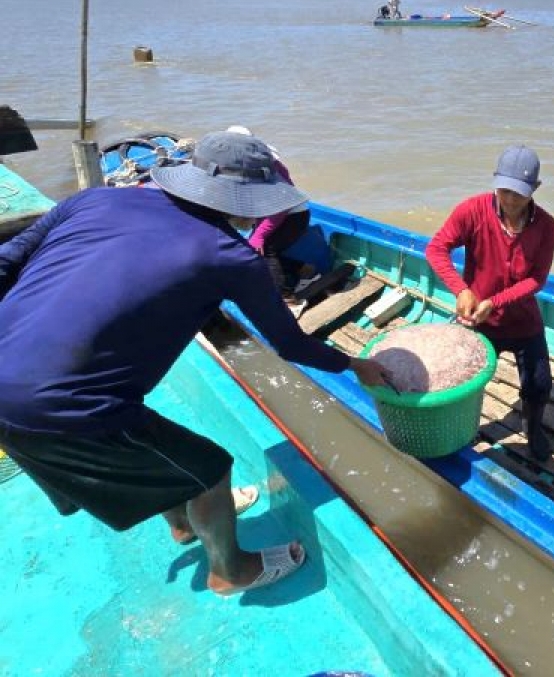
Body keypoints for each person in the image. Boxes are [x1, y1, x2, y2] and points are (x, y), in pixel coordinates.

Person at [0, 130, 387, 597]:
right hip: (61, 409)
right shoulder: (230, 256)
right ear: (245, 199)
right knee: (210, 469)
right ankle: (231, 570)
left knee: (151, 434)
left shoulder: (92, 201)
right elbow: (290, 344)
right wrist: (352, 364)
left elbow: (7, 260)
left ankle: (183, 523)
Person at [427, 145, 554, 461]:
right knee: (465, 382)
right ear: (495, 181)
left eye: (520, 194)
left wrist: (496, 301)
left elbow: (536, 280)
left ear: (535, 190)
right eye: (504, 190)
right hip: (479, 321)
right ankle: (463, 427)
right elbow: (436, 249)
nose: (510, 200)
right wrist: (461, 290)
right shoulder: (471, 211)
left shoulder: (547, 226)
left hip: (524, 322)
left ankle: (533, 426)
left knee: (539, 384)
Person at [224, 126, 313, 297]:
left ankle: (283, 297)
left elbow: (282, 205)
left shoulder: (270, 166)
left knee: (266, 248)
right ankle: (305, 270)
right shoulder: (255, 162)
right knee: (255, 250)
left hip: (292, 216)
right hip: (276, 214)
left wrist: (260, 235)